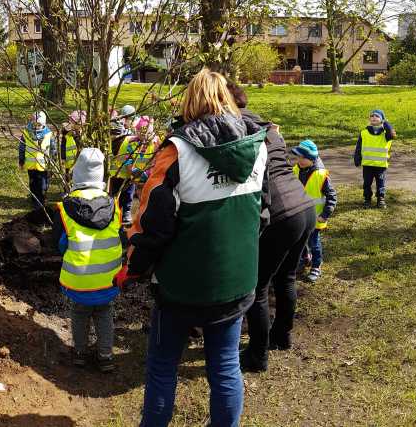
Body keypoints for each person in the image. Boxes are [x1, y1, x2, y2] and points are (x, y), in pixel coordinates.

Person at [124, 69, 268, 427]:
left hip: (181, 289)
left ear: (190, 101)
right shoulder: (258, 146)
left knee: (161, 366)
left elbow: (151, 225)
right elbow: (265, 214)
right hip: (236, 282)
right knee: (225, 366)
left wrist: (133, 268)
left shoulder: (175, 152)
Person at [225, 83, 316, 375]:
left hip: (279, 214)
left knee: (257, 286)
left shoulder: (239, 130)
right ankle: (282, 336)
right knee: (286, 277)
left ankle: (257, 355)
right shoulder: (268, 127)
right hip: (304, 207)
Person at [57, 148, 123, 373]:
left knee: (80, 311)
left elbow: (61, 245)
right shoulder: (113, 205)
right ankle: (106, 355)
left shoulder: (66, 206)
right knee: (104, 312)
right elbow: (119, 237)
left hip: (80, 278)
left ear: (76, 175)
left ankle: (80, 353)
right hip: (108, 278)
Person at [292, 140, 336, 282]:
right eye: (298, 157)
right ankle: (304, 259)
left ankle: (316, 265)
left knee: (314, 243)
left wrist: (325, 214)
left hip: (315, 218)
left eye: (303, 158)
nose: (299, 160)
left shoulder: (321, 175)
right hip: (299, 216)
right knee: (299, 241)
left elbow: (332, 197)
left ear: (312, 158)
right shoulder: (295, 169)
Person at [113, 116, 160, 224]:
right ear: (137, 131)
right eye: (141, 133)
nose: (145, 136)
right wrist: (135, 173)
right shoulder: (130, 142)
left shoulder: (155, 142)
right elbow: (127, 161)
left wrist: (148, 174)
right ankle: (117, 216)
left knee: (134, 195)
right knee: (120, 196)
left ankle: (130, 213)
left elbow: (156, 159)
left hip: (141, 174)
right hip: (122, 174)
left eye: (148, 134)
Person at [354, 109, 396, 208]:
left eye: (377, 116)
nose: (374, 117)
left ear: (382, 120)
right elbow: (359, 146)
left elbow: (391, 133)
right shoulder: (364, 132)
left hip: (380, 165)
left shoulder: (386, 134)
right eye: (372, 116)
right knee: (367, 183)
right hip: (367, 164)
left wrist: (385, 122)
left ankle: (380, 199)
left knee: (380, 183)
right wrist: (357, 157)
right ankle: (367, 199)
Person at [19, 111, 54, 213]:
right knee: (33, 183)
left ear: (43, 124)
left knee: (43, 185)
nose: (36, 127)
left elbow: (53, 149)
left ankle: (41, 201)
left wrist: (52, 163)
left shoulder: (48, 134)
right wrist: (21, 161)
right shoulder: (26, 133)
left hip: (43, 166)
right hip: (31, 165)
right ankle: (35, 200)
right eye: (34, 124)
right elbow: (21, 147)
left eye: (39, 125)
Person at [61, 110, 86, 183]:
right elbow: (63, 145)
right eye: (70, 122)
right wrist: (63, 157)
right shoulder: (67, 134)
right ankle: (67, 190)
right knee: (68, 177)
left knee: (78, 178)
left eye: (72, 122)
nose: (70, 124)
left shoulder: (83, 134)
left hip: (80, 162)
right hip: (69, 162)